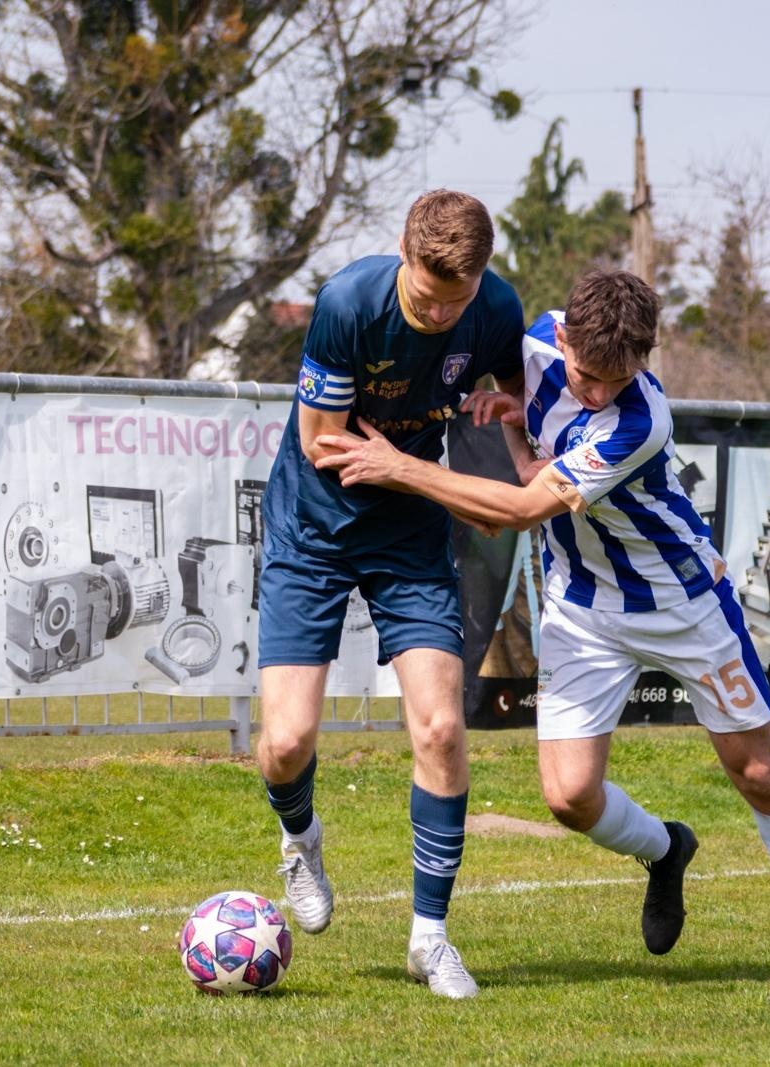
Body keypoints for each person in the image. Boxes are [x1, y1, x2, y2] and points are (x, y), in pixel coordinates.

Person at [313, 269, 770, 992]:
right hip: (581, 607)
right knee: (570, 795)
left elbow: (520, 511)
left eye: (618, 378)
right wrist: (515, 425)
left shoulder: (640, 421)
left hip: (682, 603)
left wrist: (398, 466)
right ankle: (667, 849)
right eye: (587, 375)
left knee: (758, 771)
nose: (600, 392)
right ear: (564, 337)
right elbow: (524, 443)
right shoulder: (534, 343)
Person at [257, 190, 525, 1000]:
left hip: (409, 533)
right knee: (286, 742)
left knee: (441, 727)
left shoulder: (496, 306)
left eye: (457, 301)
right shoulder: (348, 303)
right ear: (403, 255)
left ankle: (430, 938)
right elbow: (321, 443)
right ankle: (301, 837)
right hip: (313, 528)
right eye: (428, 297)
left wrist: (512, 429)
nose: (442, 315)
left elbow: (520, 403)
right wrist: (415, 468)